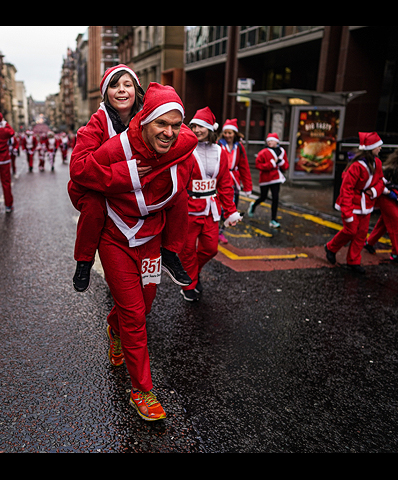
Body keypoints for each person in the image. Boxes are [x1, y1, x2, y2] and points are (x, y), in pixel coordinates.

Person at [70, 82, 198, 421]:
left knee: (144, 307)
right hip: (115, 236)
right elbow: (78, 174)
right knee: (134, 314)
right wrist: (122, 175)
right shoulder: (113, 141)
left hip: (152, 237)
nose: (169, 132)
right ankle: (142, 390)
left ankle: (115, 329)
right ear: (144, 121)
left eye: (175, 125)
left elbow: (190, 142)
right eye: (161, 124)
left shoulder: (183, 141)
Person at [68, 65, 191, 293]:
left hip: (142, 188)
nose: (122, 90)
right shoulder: (97, 123)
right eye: (114, 85)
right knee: (93, 206)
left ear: (137, 89)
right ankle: (84, 261)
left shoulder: (152, 115)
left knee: (177, 193)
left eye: (128, 85)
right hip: (104, 188)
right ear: (106, 92)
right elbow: (78, 168)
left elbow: (181, 134)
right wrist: (127, 173)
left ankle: (171, 253)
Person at [179, 107, 242, 302]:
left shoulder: (220, 152)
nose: (197, 130)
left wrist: (231, 211)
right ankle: (188, 284)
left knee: (210, 248)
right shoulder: (185, 150)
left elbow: (224, 184)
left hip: (211, 210)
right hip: (189, 208)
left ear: (209, 128)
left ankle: (192, 273)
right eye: (194, 126)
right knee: (187, 250)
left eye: (201, 126)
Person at [325, 132, 386, 274]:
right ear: (371, 147)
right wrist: (346, 212)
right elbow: (346, 189)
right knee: (350, 230)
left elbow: (381, 181)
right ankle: (331, 247)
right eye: (379, 146)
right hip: (352, 203)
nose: (380, 149)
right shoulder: (356, 166)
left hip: (366, 204)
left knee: (362, 234)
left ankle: (353, 261)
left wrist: (374, 191)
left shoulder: (377, 163)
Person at [218, 118, 252, 243]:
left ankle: (220, 231)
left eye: (230, 133)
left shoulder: (240, 147)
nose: (227, 135)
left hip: (234, 182)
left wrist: (248, 186)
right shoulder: (218, 145)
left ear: (235, 134)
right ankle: (214, 232)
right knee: (219, 209)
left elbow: (244, 167)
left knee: (231, 210)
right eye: (225, 132)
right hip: (220, 180)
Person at [247, 132, 288, 228]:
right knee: (263, 197)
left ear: (277, 142)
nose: (270, 142)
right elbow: (258, 165)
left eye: (272, 140)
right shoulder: (263, 152)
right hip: (265, 179)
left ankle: (273, 220)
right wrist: (272, 163)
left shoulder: (282, 151)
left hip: (276, 179)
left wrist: (281, 163)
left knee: (275, 199)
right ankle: (253, 205)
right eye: (268, 140)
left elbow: (286, 165)